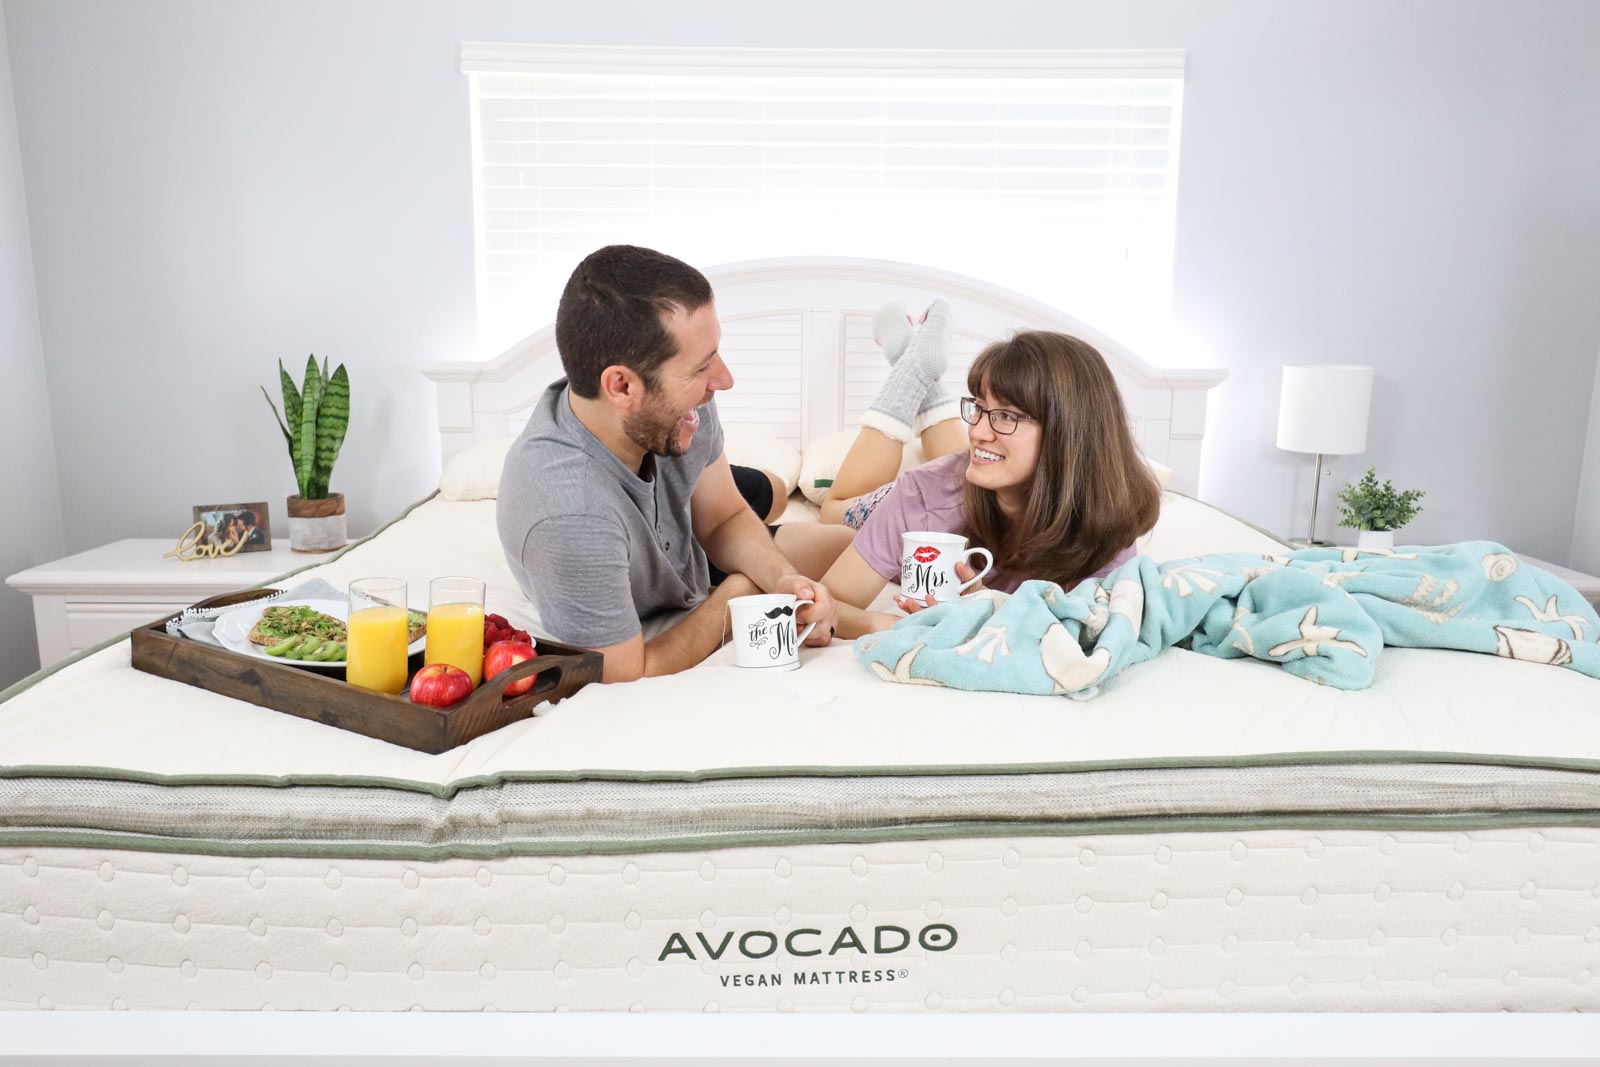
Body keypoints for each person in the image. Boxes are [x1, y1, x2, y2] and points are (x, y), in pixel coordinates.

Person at [497, 245, 847, 683]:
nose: (723, 380)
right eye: (702, 367)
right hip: (640, 529)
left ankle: (780, 485)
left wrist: (782, 580)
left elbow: (723, 518)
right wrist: (734, 599)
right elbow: (624, 670)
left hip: (683, 509)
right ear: (622, 385)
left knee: (796, 506)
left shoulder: (683, 406)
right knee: (787, 519)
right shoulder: (571, 514)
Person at [820, 309, 1164, 637]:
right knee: (832, 511)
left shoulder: (1106, 515)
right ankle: (911, 373)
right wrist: (892, 626)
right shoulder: (922, 495)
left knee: (973, 459)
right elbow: (829, 605)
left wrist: (992, 609)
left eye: (1007, 415)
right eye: (979, 406)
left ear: (1069, 433)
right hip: (911, 498)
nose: (978, 429)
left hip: (969, 481)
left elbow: (1092, 628)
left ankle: (924, 379)